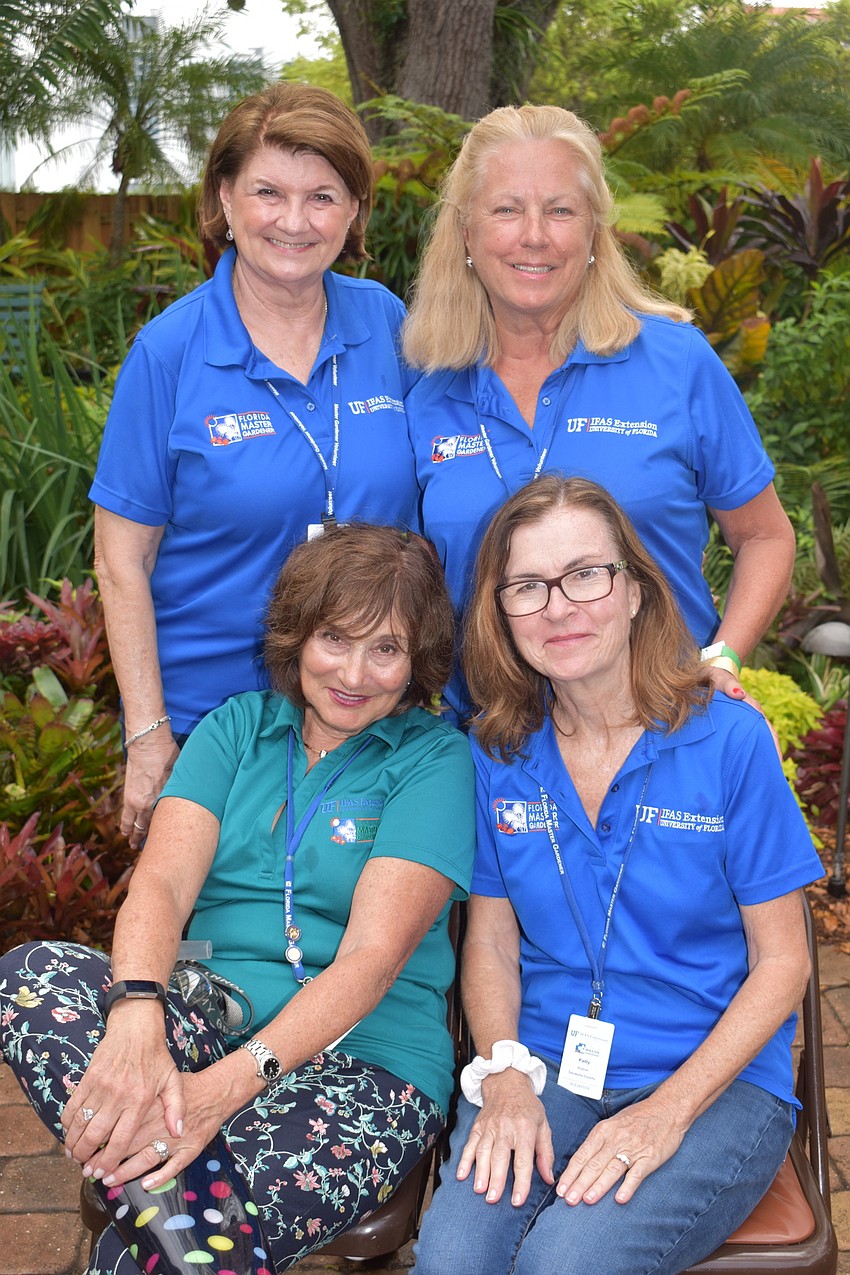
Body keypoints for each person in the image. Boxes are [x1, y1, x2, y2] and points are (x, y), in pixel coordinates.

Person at [1, 524, 474, 1275]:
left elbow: (372, 959)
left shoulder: (434, 758)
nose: (355, 671)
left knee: (141, 1255)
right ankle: (195, 1234)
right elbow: (159, 881)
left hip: (363, 1064)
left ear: (417, 659)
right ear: (296, 635)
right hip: (198, 1021)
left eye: (385, 648)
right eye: (334, 638)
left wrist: (219, 1092)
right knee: (31, 972)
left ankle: (172, 1230)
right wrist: (136, 1018)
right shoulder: (236, 728)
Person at [412, 476, 822, 1275]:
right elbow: (491, 945)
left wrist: (667, 1113)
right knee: (454, 1259)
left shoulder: (728, 741)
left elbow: (786, 962)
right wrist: (502, 1075)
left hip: (717, 1079)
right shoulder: (497, 753)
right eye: (528, 586)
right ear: (501, 612)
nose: (559, 607)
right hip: (549, 1067)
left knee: (563, 1264)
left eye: (586, 574)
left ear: (634, 589)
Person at [91, 82, 419, 849]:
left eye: (323, 196)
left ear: (354, 210)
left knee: (368, 951)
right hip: (215, 733)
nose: (295, 221)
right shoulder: (168, 353)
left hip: (373, 721)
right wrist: (147, 736)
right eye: (268, 191)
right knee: (216, 956)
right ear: (225, 201)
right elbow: (120, 561)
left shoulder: (389, 326)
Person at [402, 104, 795, 722]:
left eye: (560, 210)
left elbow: (766, 535)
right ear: (465, 233)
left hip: (665, 729)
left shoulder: (675, 361)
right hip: (490, 757)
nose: (535, 234)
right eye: (507, 209)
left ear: (593, 232)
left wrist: (724, 656)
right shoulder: (425, 391)